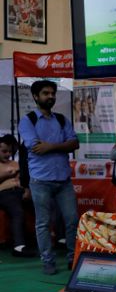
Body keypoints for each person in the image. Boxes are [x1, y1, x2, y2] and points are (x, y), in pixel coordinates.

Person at [18, 80, 79, 275]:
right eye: (46, 93)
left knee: (72, 220)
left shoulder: (61, 119)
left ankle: (73, 258)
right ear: (36, 97)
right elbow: (36, 147)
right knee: (43, 223)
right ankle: (48, 261)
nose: (50, 96)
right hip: (40, 181)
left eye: (52, 93)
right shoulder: (28, 120)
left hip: (63, 180)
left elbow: (75, 144)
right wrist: (63, 145)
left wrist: (51, 146)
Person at [0, 135, 36, 257]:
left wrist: (27, 190)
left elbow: (26, 179)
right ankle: (18, 246)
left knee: (43, 205)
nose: (7, 154)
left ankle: (52, 239)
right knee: (17, 211)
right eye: (4, 151)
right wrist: (6, 176)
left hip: (21, 191)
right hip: (4, 194)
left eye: (10, 151)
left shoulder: (16, 163)